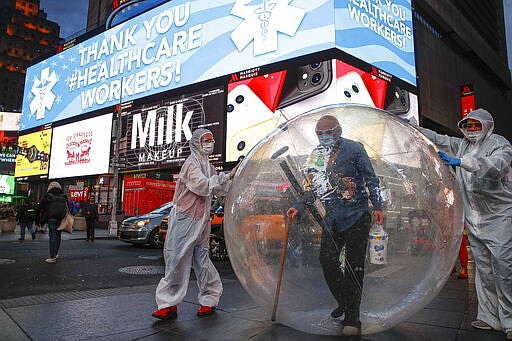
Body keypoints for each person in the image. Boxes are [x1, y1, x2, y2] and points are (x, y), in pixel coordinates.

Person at [286, 115, 384, 336]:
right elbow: (312, 187)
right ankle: (345, 301)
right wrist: (300, 206)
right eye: (319, 133)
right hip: (333, 218)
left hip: (357, 216)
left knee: (353, 267)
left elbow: (371, 178)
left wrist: (377, 205)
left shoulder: (355, 149)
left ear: (338, 131)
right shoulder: (316, 155)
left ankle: (352, 318)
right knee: (327, 261)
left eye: (327, 132)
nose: (323, 137)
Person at [419, 108, 512, 340]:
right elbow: (437, 138)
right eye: (467, 126)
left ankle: (510, 320)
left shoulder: (500, 144)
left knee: (504, 268)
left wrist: (462, 162)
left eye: (476, 126)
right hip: (475, 219)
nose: (471, 130)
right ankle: (490, 317)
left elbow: (496, 167)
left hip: (499, 216)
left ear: (486, 125)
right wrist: (407, 123)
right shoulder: (462, 145)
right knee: (484, 270)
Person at [152, 128, 238, 320]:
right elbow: (202, 186)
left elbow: (220, 188)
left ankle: (209, 299)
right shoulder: (191, 164)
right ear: (197, 143)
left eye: (212, 139)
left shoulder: (209, 167)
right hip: (185, 218)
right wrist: (226, 177)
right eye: (206, 140)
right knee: (177, 259)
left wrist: (234, 177)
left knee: (202, 260)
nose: (210, 143)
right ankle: (169, 304)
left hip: (202, 220)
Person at [35, 182, 69, 263]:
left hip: (51, 219)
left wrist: (37, 221)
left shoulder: (48, 196)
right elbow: (68, 208)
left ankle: (52, 256)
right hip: (61, 219)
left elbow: (39, 208)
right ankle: (55, 253)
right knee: (58, 236)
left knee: (53, 236)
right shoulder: (64, 196)